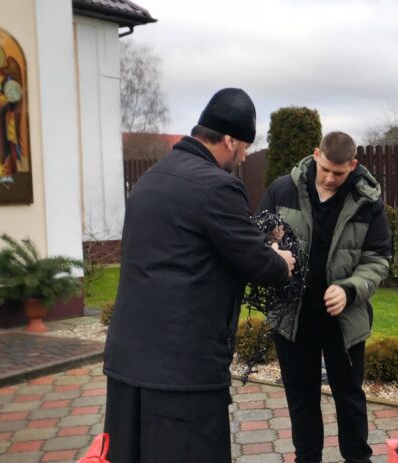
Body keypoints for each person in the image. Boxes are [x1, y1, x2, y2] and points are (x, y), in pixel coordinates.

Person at [103, 87, 296, 463]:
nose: (244, 157)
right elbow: (258, 262)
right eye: (244, 147)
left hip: (128, 362)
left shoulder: (151, 179)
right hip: (182, 373)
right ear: (230, 140)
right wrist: (281, 260)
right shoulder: (217, 186)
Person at [257, 131, 392, 463]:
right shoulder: (282, 190)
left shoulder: (367, 199)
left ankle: (357, 459)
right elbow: (255, 236)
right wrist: (271, 251)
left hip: (343, 319)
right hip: (293, 316)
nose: (331, 178)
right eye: (326, 170)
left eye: (339, 173)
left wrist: (349, 289)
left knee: (349, 398)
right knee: (301, 399)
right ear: (316, 155)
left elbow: (377, 259)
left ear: (353, 165)